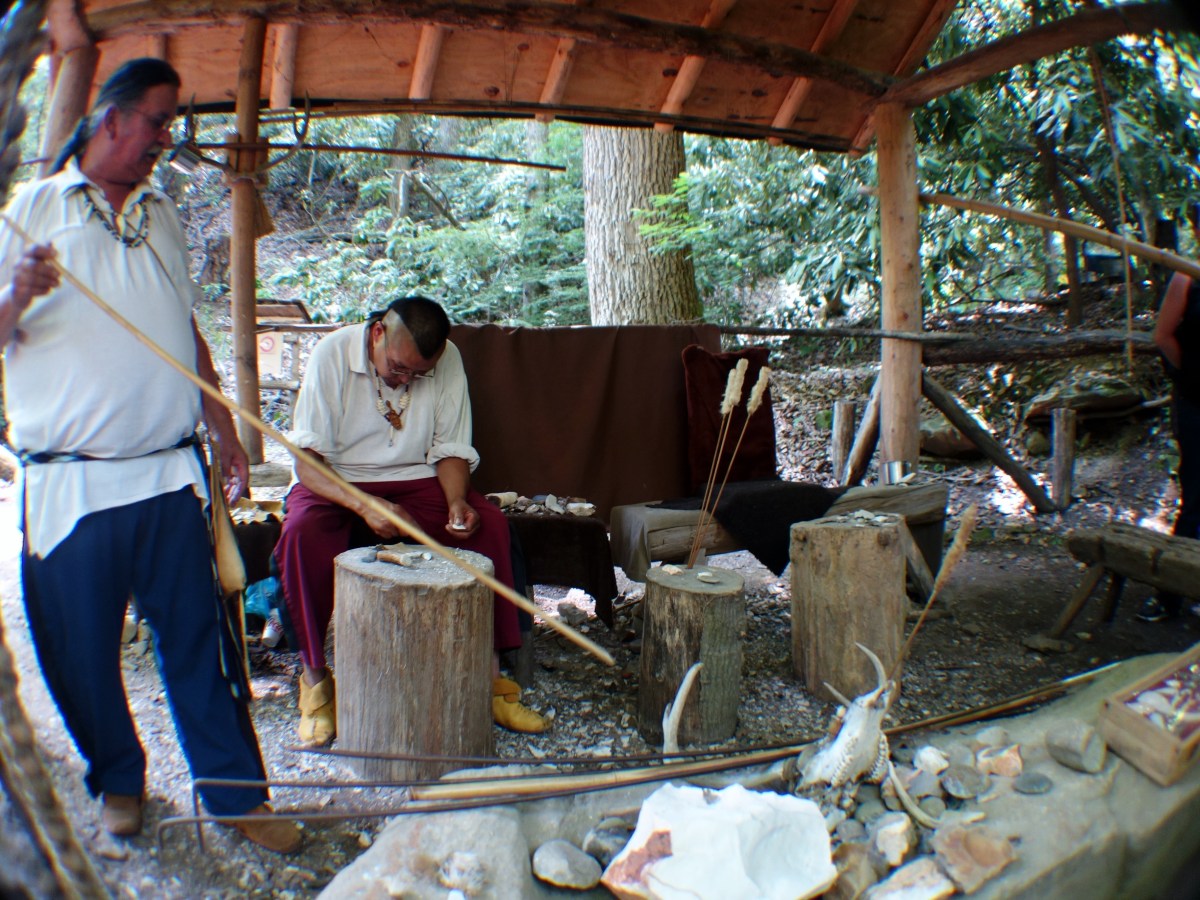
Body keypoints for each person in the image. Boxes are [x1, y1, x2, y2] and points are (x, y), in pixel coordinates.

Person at [0, 58, 300, 852]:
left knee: (203, 637)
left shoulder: (163, 215)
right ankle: (119, 782)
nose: (166, 141)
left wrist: (222, 423)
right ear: (110, 120)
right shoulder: (28, 213)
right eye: (160, 122)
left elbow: (181, 329)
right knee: (82, 649)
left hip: (170, 475)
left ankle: (236, 793)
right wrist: (17, 295)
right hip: (72, 487)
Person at [274, 295, 548, 744]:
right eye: (400, 369)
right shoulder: (331, 354)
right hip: (337, 481)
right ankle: (316, 684)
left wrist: (457, 502)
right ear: (378, 332)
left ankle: (492, 680)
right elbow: (307, 465)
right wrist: (365, 507)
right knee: (301, 535)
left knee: (490, 527)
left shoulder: (447, 360)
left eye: (419, 374)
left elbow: (452, 447)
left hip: (417, 479)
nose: (407, 380)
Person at [1142, 270, 1200, 621]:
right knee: (1196, 495)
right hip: (1196, 403)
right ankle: (1170, 594)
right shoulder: (1186, 277)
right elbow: (1163, 336)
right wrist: (1193, 376)